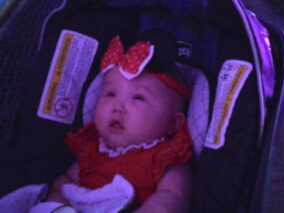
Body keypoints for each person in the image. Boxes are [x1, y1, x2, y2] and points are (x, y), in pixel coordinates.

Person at [42, 29, 194, 213]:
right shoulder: (91, 150)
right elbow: (65, 183)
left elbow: (172, 199)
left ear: (173, 124)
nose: (117, 106)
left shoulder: (165, 159)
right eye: (110, 94)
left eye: (138, 98)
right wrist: (58, 204)